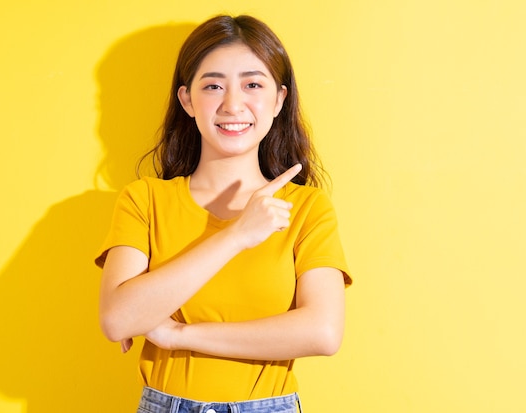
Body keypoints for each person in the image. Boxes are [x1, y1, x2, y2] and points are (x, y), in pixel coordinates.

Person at [95, 14, 352, 413]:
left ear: (279, 100)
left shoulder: (305, 208)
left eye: (253, 84)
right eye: (213, 85)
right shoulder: (144, 200)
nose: (233, 104)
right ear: (187, 100)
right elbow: (117, 319)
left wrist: (180, 334)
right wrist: (236, 236)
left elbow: (322, 332)